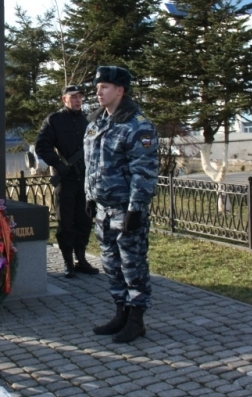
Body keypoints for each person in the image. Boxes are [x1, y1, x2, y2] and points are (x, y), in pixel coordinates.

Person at [84, 66, 159, 343]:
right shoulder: (96, 123)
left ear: (120, 90)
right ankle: (120, 313)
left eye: (105, 86)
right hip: (103, 210)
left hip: (125, 211)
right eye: (97, 86)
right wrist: (89, 197)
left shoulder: (138, 126)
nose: (98, 91)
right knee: (111, 265)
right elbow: (91, 164)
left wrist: (136, 209)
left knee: (132, 265)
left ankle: (136, 320)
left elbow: (144, 171)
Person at [35, 85, 99, 278]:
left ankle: (81, 258)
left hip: (85, 180)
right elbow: (42, 146)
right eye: (73, 97)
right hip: (66, 179)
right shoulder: (54, 120)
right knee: (65, 222)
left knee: (84, 220)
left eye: (80, 97)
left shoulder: (88, 121)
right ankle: (67, 262)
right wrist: (58, 164)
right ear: (64, 99)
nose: (78, 100)